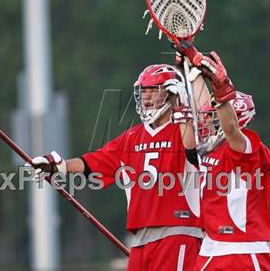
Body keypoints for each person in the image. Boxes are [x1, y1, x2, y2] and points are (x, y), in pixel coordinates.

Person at [31, 64, 203, 271]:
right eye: (144, 91)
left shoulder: (185, 131)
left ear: (171, 92)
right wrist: (58, 167)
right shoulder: (131, 137)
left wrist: (183, 108)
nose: (147, 97)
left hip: (178, 233)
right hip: (140, 238)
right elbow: (94, 162)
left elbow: (194, 150)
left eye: (154, 90)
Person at [181, 51, 270, 270]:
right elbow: (202, 110)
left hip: (242, 250)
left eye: (217, 114)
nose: (211, 120)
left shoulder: (250, 148)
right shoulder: (210, 150)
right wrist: (192, 67)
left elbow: (231, 129)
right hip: (209, 250)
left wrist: (221, 89)